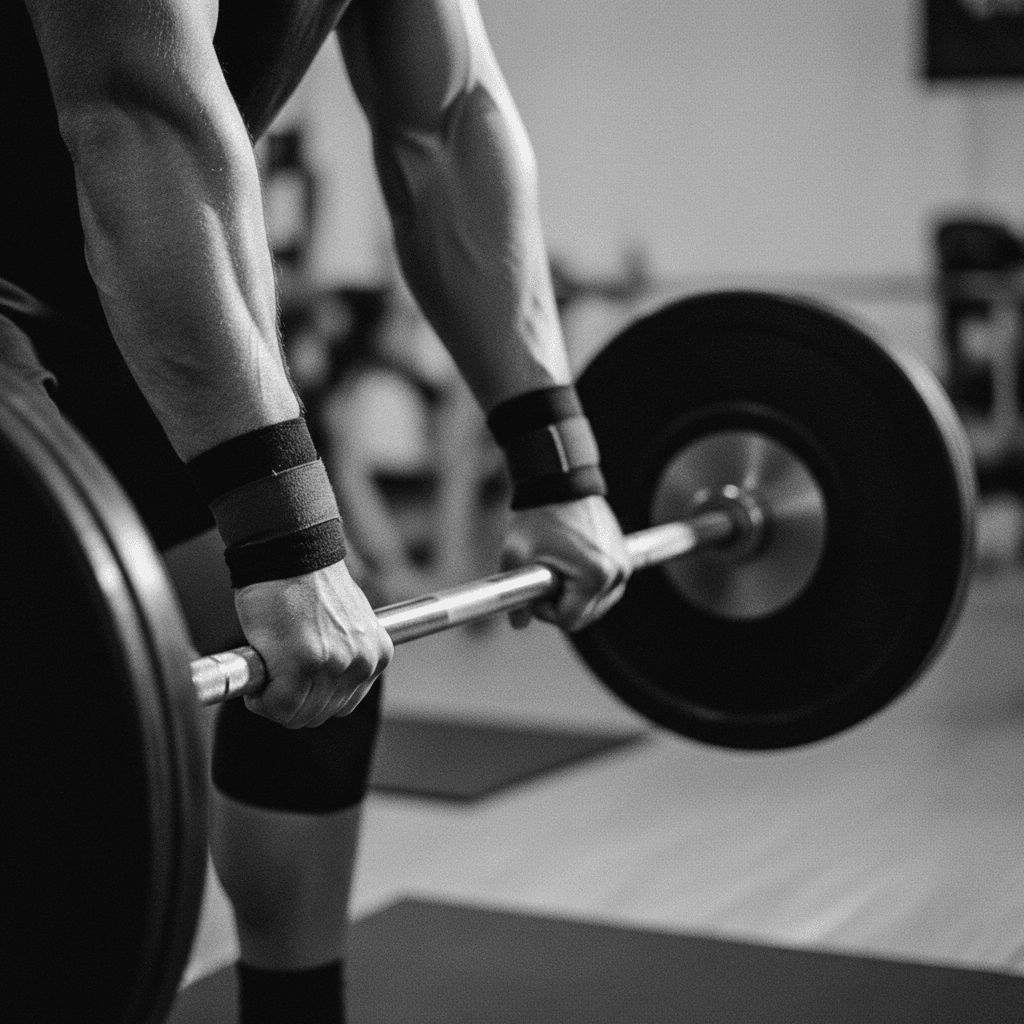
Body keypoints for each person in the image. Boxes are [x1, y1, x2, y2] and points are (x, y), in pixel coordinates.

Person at [0, 1, 631, 1022]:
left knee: (317, 679)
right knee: (62, 721)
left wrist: (557, 462)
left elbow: (451, 121)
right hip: (67, 259)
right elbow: (134, 109)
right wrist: (281, 536)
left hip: (114, 291)